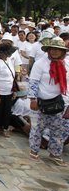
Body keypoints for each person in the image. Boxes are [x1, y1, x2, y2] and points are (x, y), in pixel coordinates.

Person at [28, 37, 68, 166]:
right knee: (37, 128)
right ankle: (34, 151)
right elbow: (33, 82)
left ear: (63, 52)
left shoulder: (66, 64)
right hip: (42, 101)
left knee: (58, 129)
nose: (55, 52)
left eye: (59, 50)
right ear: (49, 50)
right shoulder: (40, 63)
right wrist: (33, 99)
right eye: (53, 49)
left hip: (60, 102)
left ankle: (55, 153)